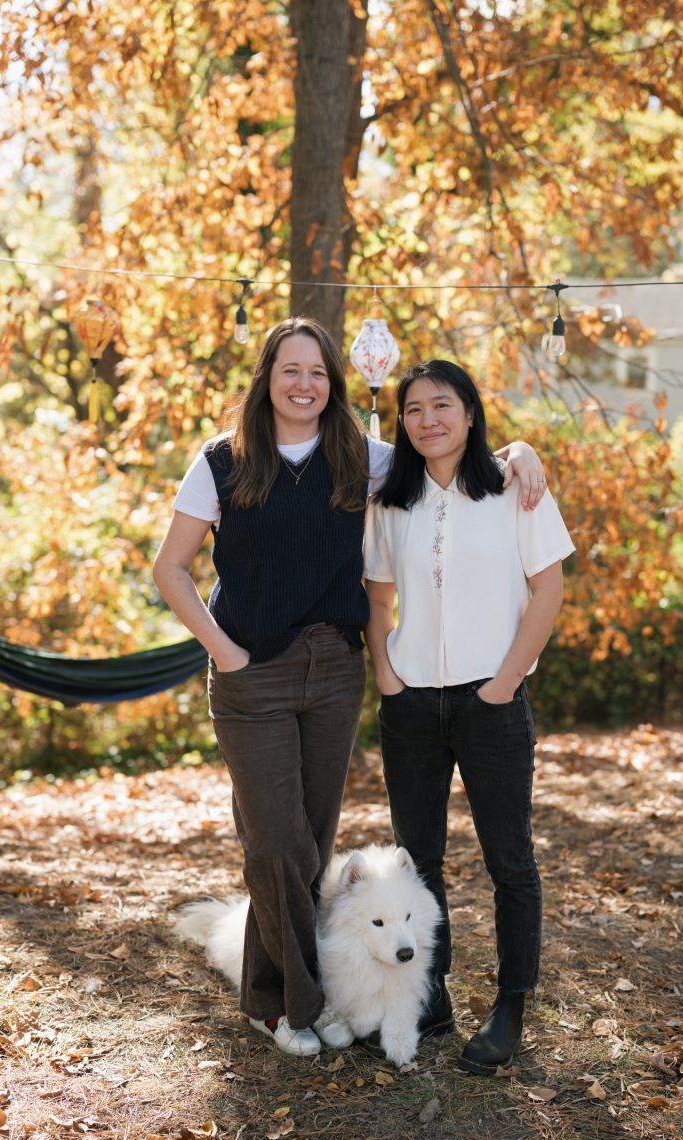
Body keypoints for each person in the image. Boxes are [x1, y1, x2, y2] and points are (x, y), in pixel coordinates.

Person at [153, 318, 547, 1058]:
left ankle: (298, 995)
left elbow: (444, 449)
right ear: (267, 378)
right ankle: (285, 1003)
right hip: (252, 673)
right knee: (276, 847)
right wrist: (224, 650)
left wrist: (517, 453)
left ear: (334, 384)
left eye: (319, 373)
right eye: (290, 370)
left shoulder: (359, 457)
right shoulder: (221, 461)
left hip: (333, 673)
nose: (305, 384)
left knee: (313, 844)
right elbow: (170, 568)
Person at [363, 359, 575, 1074]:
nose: (428, 419)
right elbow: (379, 596)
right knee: (417, 860)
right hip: (412, 704)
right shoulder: (391, 500)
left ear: (471, 412)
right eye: (414, 409)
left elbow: (548, 590)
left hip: (493, 700)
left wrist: (504, 683)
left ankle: (511, 1003)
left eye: (442, 405)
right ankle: (432, 994)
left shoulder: (517, 487)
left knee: (508, 860)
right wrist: (387, 675)